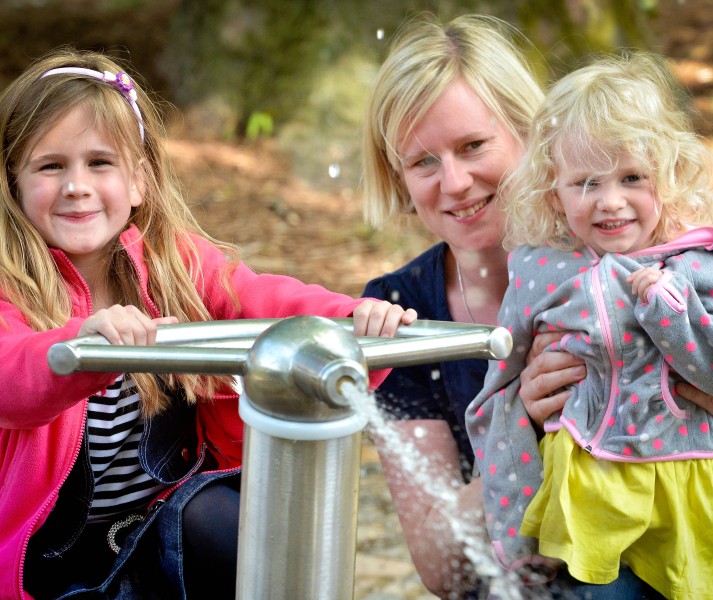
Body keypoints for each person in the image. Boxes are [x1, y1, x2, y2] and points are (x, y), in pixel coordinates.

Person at [361, 13, 713, 600]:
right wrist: (523, 432)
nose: (454, 182)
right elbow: (441, 569)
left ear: (534, 138)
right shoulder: (401, 310)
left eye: (473, 145)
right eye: (422, 161)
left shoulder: (657, 249)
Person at [0, 48, 417, 599]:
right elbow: (13, 379)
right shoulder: (11, 289)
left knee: (221, 511)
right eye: (51, 166)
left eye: (99, 163)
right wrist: (82, 346)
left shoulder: (178, 267)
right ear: (13, 183)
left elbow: (265, 300)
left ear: (139, 181)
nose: (76, 185)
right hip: (51, 569)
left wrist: (347, 323)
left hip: (160, 542)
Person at [467, 50, 713, 599]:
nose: (610, 202)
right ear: (553, 193)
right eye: (585, 183)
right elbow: (498, 398)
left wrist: (672, 314)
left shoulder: (701, 265)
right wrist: (514, 536)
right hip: (590, 498)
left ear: (669, 173)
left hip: (692, 491)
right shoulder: (539, 272)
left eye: (632, 176)